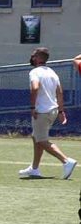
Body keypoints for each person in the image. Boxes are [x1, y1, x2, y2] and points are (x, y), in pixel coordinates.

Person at [20, 47, 75, 180]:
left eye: (34, 56)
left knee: (42, 140)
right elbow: (60, 92)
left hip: (42, 111)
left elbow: (35, 88)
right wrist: (61, 111)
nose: (32, 58)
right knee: (36, 137)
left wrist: (33, 107)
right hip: (53, 110)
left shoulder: (35, 72)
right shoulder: (52, 72)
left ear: (39, 58)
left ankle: (66, 161)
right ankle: (34, 168)